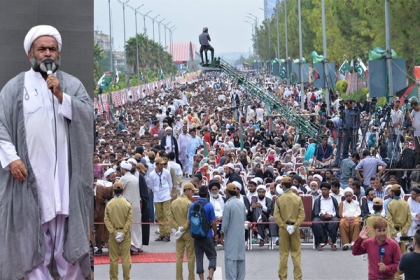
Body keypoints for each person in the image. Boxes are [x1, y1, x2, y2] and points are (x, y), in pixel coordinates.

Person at [0, 25, 93, 279]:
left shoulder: (71, 85)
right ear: (30, 54)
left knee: (67, 248)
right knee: (31, 246)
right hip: (29, 182)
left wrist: (61, 95)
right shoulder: (14, 88)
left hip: (64, 182)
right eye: (42, 49)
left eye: (52, 49)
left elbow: (88, 117)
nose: (48, 53)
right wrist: (12, 158)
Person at [273, 176, 305, 280]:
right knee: (296, 254)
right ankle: (298, 277)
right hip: (295, 228)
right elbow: (302, 215)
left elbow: (276, 216)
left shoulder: (279, 199)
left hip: (283, 228)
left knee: (284, 253)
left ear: (283, 185)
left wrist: (285, 226)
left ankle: (283, 277)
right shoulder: (298, 198)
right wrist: (295, 226)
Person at [104, 181, 133, 280]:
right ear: (122, 190)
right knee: (126, 258)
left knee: (113, 259)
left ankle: (114, 278)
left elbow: (106, 220)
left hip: (113, 233)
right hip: (125, 234)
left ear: (113, 191)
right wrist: (123, 232)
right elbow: (129, 220)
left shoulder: (109, 204)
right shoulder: (127, 204)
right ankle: (126, 278)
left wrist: (114, 232)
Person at [188, 185, 218, 280]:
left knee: (199, 258)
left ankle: (201, 278)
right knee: (212, 256)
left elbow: (189, 221)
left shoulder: (192, 205)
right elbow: (213, 222)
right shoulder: (209, 205)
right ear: (207, 194)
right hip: (207, 234)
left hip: (196, 236)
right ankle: (210, 276)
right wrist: (215, 234)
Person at [170, 182, 197, 280]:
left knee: (179, 257)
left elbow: (170, 217)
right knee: (190, 257)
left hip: (178, 233)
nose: (193, 194)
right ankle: (191, 278)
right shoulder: (190, 204)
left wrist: (178, 228)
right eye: (192, 191)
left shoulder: (174, 202)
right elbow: (190, 219)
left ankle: (179, 278)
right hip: (188, 232)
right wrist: (184, 228)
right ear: (187, 191)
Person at [220, 183, 247, 280]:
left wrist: (222, 235)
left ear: (227, 192)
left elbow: (225, 223)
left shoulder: (228, 205)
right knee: (241, 263)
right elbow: (244, 219)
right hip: (240, 237)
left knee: (231, 263)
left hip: (231, 238)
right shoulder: (241, 203)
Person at [120, 161, 142, 254]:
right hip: (136, 205)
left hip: (127, 205)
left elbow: (118, 190)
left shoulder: (124, 178)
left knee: (128, 226)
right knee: (136, 226)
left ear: (123, 169)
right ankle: (137, 245)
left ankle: (130, 246)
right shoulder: (135, 178)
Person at [150, 157, 173, 242]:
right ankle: (162, 234)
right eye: (160, 164)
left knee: (167, 214)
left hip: (166, 195)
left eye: (163, 164)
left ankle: (167, 234)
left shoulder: (166, 172)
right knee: (159, 216)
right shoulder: (152, 174)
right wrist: (156, 192)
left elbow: (170, 183)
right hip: (157, 196)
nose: (162, 165)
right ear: (156, 164)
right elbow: (152, 186)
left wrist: (168, 192)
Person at [312, 182, 340, 251]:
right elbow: (316, 212)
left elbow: (336, 211)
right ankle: (321, 242)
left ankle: (332, 241)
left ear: (329, 190)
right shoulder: (318, 200)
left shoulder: (333, 199)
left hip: (331, 217)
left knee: (335, 221)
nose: (323, 191)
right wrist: (322, 214)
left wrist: (331, 215)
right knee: (316, 222)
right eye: (322, 190)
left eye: (325, 190)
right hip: (320, 217)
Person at [386, 184, 412, 253]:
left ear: (393, 193)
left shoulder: (390, 204)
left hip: (394, 233)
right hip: (403, 233)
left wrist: (395, 232)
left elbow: (389, 219)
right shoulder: (405, 203)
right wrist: (403, 231)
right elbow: (409, 219)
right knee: (404, 253)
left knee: (394, 254)